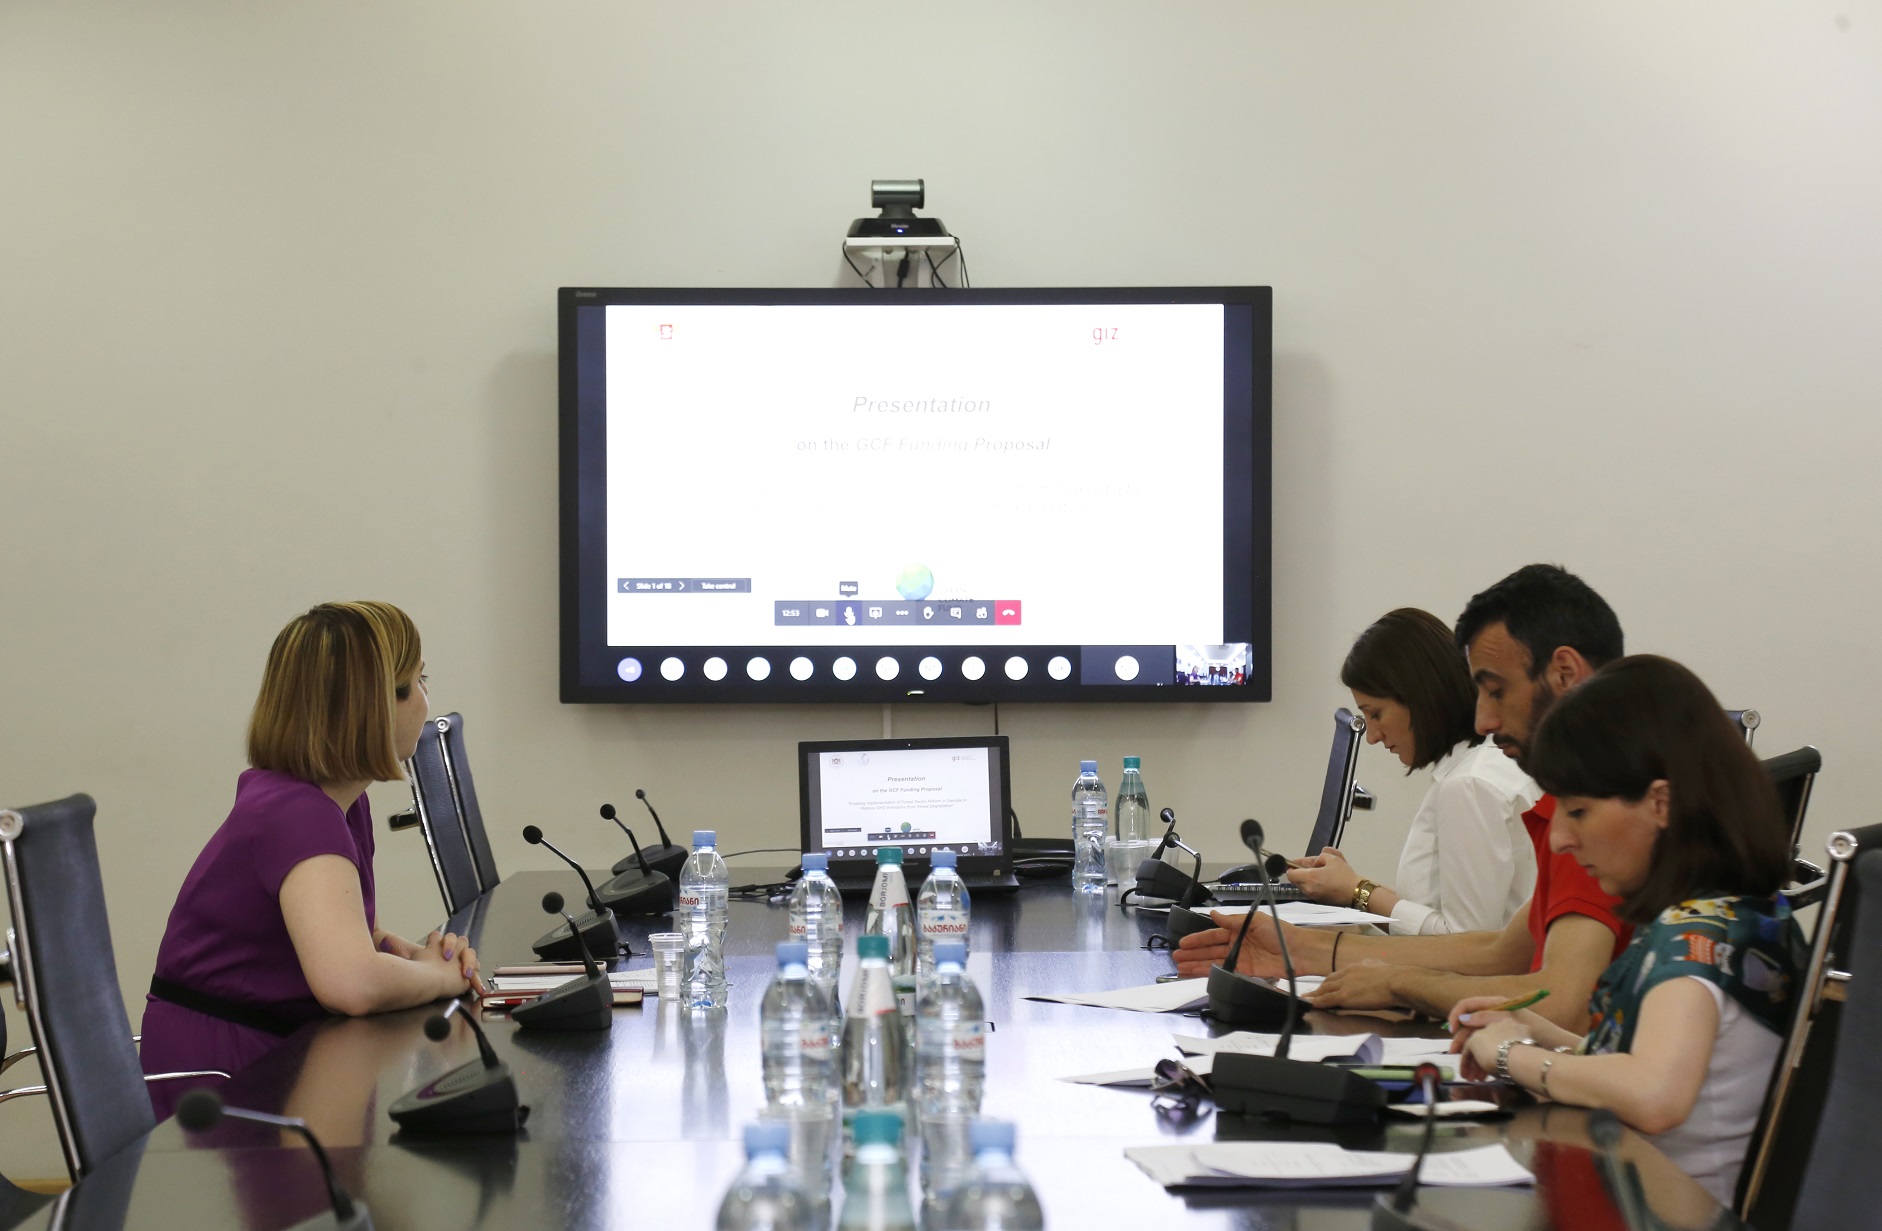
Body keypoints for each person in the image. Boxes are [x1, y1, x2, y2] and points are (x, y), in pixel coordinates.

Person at [1176, 564, 1630, 1032]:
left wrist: (1398, 980)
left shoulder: (1610, 810)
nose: (1483, 721)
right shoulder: (1570, 806)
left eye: (1496, 691)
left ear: (1565, 674)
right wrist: (1305, 949)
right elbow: (1498, 950)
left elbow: (1560, 1000)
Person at [1448, 655, 1801, 1203]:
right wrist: (1538, 1031)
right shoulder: (1733, 912)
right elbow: (1652, 1063)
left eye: (1578, 811)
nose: (1560, 839)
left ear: (1660, 803)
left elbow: (1655, 1094)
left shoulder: (1698, 937)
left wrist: (1509, 1055)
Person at [141, 602, 480, 1111]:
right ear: (374, 705)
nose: (426, 700)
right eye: (418, 681)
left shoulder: (336, 804)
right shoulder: (300, 816)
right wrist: (439, 977)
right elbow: (350, 983)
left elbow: (348, 941)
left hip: (268, 1052)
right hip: (223, 1084)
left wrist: (413, 957)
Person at [1286, 608, 1541, 935]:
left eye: (1376, 714)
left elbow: (1465, 942)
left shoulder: (1470, 785)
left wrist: (1358, 890)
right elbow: (1436, 915)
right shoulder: (1483, 764)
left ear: (1419, 695)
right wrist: (1349, 886)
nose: (1373, 736)